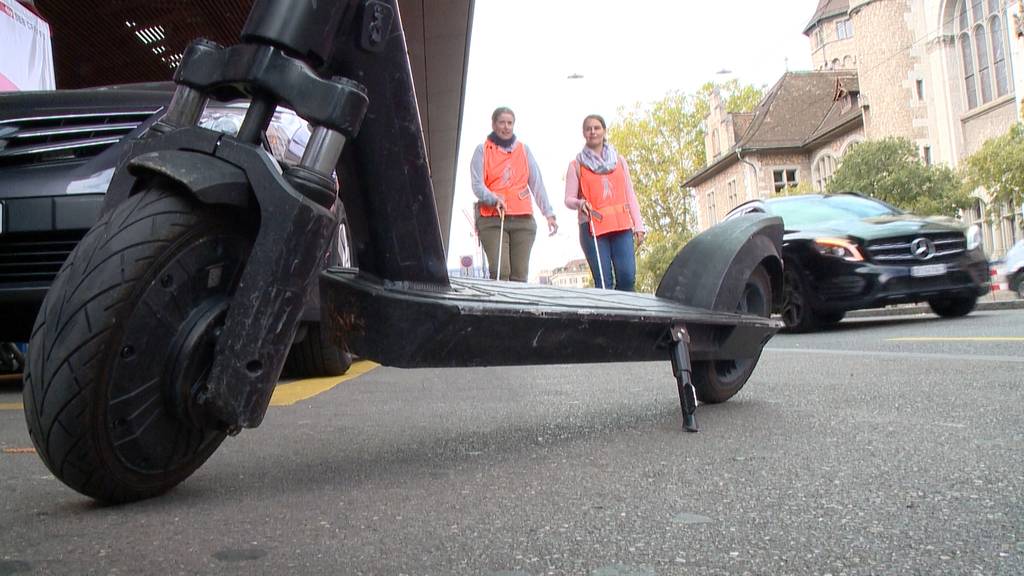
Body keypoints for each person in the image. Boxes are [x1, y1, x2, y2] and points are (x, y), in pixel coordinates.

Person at [470, 107, 558, 282]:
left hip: (523, 220)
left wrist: (548, 213)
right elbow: (477, 185)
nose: (506, 127)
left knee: (519, 275)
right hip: (493, 219)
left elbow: (537, 183)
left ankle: (520, 309)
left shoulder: (524, 151)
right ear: (494, 124)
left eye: (510, 123)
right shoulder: (482, 150)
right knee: (500, 271)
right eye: (502, 122)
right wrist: (493, 199)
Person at [564, 114, 646, 291]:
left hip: (621, 226)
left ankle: (624, 316)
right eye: (588, 129)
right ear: (584, 133)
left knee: (627, 277)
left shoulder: (619, 161)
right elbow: (568, 199)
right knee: (604, 283)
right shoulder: (576, 165)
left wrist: (638, 225)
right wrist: (579, 203)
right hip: (593, 228)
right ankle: (606, 318)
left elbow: (630, 193)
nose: (593, 132)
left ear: (604, 131)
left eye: (596, 128)